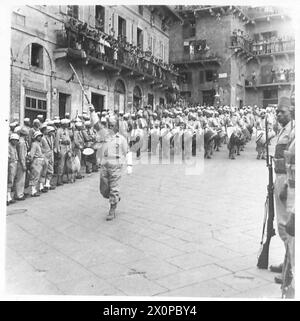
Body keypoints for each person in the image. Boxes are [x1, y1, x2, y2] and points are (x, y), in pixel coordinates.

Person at [89, 104, 132, 221]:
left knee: (114, 188)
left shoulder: (121, 139)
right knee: (104, 190)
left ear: (117, 127)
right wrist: (93, 111)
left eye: (113, 126)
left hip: (116, 167)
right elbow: (96, 124)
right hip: (104, 166)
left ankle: (112, 209)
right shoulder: (105, 135)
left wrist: (129, 166)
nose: (111, 127)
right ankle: (115, 197)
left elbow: (128, 152)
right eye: (109, 125)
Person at [269, 97, 294, 284]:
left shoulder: (293, 131)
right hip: (278, 177)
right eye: (277, 112)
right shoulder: (283, 130)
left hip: (286, 179)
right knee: (281, 223)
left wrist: (285, 185)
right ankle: (287, 263)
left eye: (282, 112)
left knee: (286, 226)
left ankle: (291, 270)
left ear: (291, 112)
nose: (279, 115)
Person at [28, 131, 47, 196]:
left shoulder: (39, 144)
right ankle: (33, 191)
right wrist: (30, 161)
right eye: (38, 136)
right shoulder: (34, 144)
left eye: (41, 136)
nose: (40, 137)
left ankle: (39, 188)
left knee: (40, 174)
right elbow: (32, 154)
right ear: (36, 137)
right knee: (35, 175)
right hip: (36, 160)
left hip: (41, 160)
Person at [14, 127, 29, 201]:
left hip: (20, 161)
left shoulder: (20, 141)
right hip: (21, 161)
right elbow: (21, 154)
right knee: (20, 178)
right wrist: (23, 164)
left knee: (20, 178)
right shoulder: (22, 142)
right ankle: (19, 194)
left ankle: (20, 192)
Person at [40, 126, 56, 191]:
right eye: (51, 132)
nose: (53, 133)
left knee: (50, 170)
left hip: (50, 155)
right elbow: (40, 147)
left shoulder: (51, 138)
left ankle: (47, 184)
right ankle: (41, 186)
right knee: (43, 171)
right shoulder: (42, 138)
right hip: (45, 155)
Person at [7, 133, 19, 205]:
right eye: (15, 140)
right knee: (9, 180)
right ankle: (7, 198)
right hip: (10, 164)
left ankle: (9, 197)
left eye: (17, 140)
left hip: (14, 163)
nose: (16, 142)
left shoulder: (14, 146)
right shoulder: (8, 146)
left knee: (12, 180)